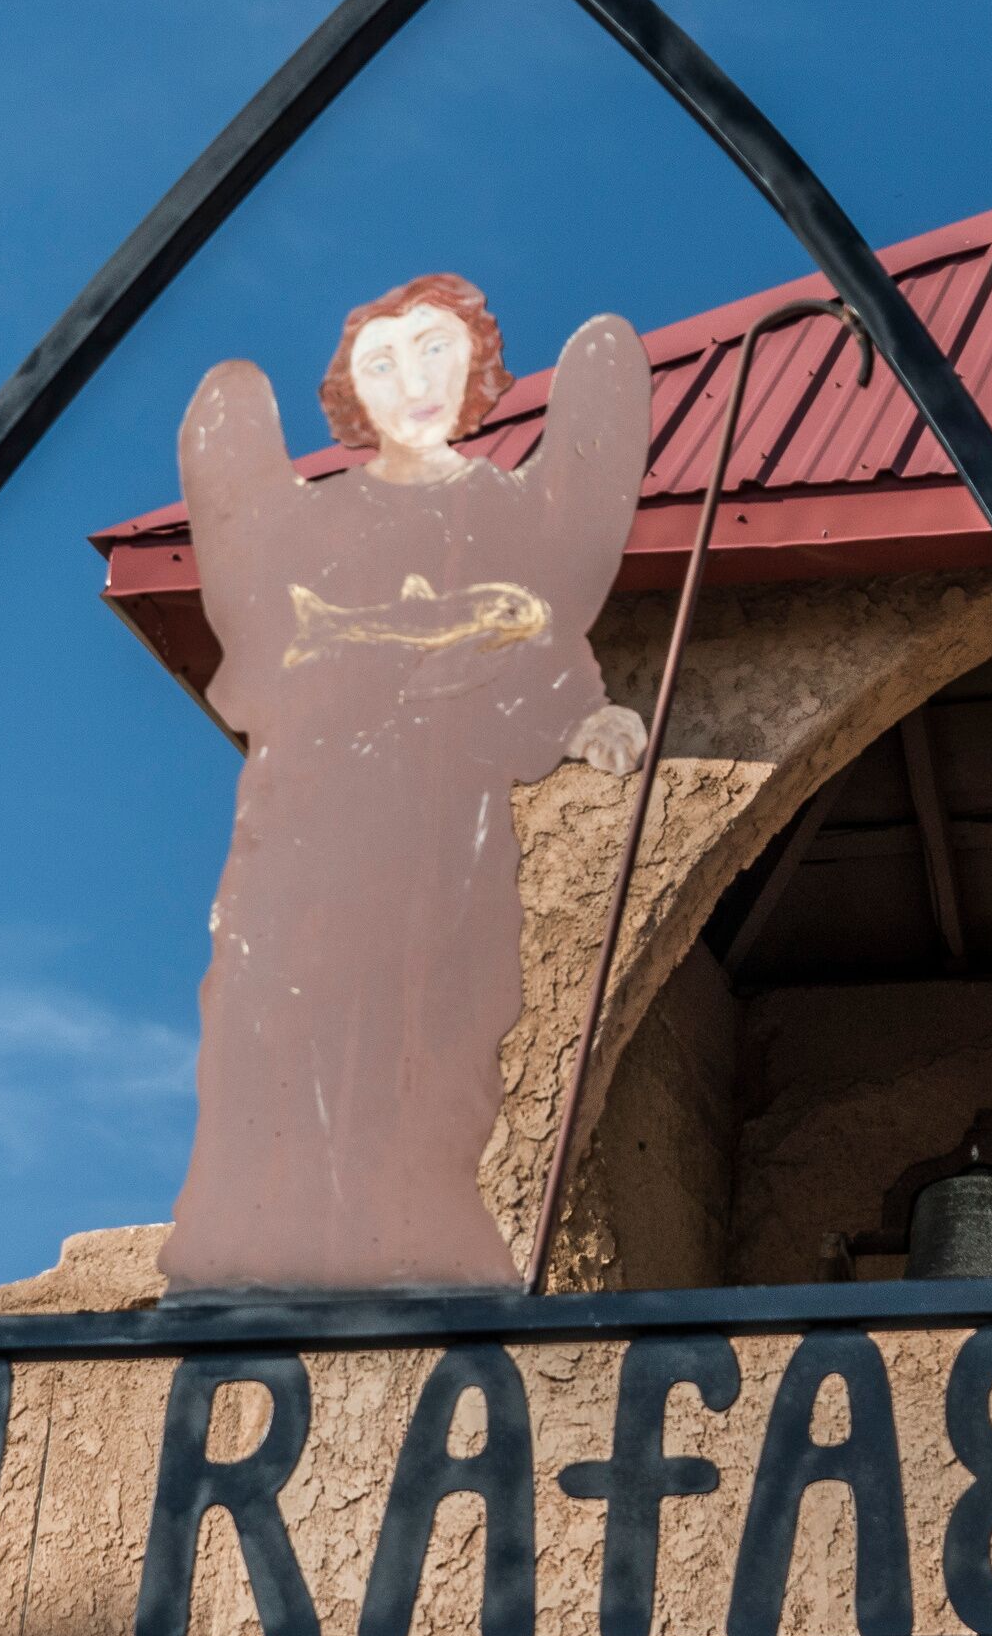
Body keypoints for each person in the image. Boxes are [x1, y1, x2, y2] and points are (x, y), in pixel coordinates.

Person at [157, 273, 650, 1292]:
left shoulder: (513, 510)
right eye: (382, 359)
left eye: (433, 348)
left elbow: (545, 650)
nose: (411, 378)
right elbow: (273, 653)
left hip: (440, 828)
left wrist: (582, 714)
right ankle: (249, 1240)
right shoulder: (302, 523)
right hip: (307, 818)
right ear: (352, 392)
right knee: (280, 1014)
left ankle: (419, 1229)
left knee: (436, 1019)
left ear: (475, 364)